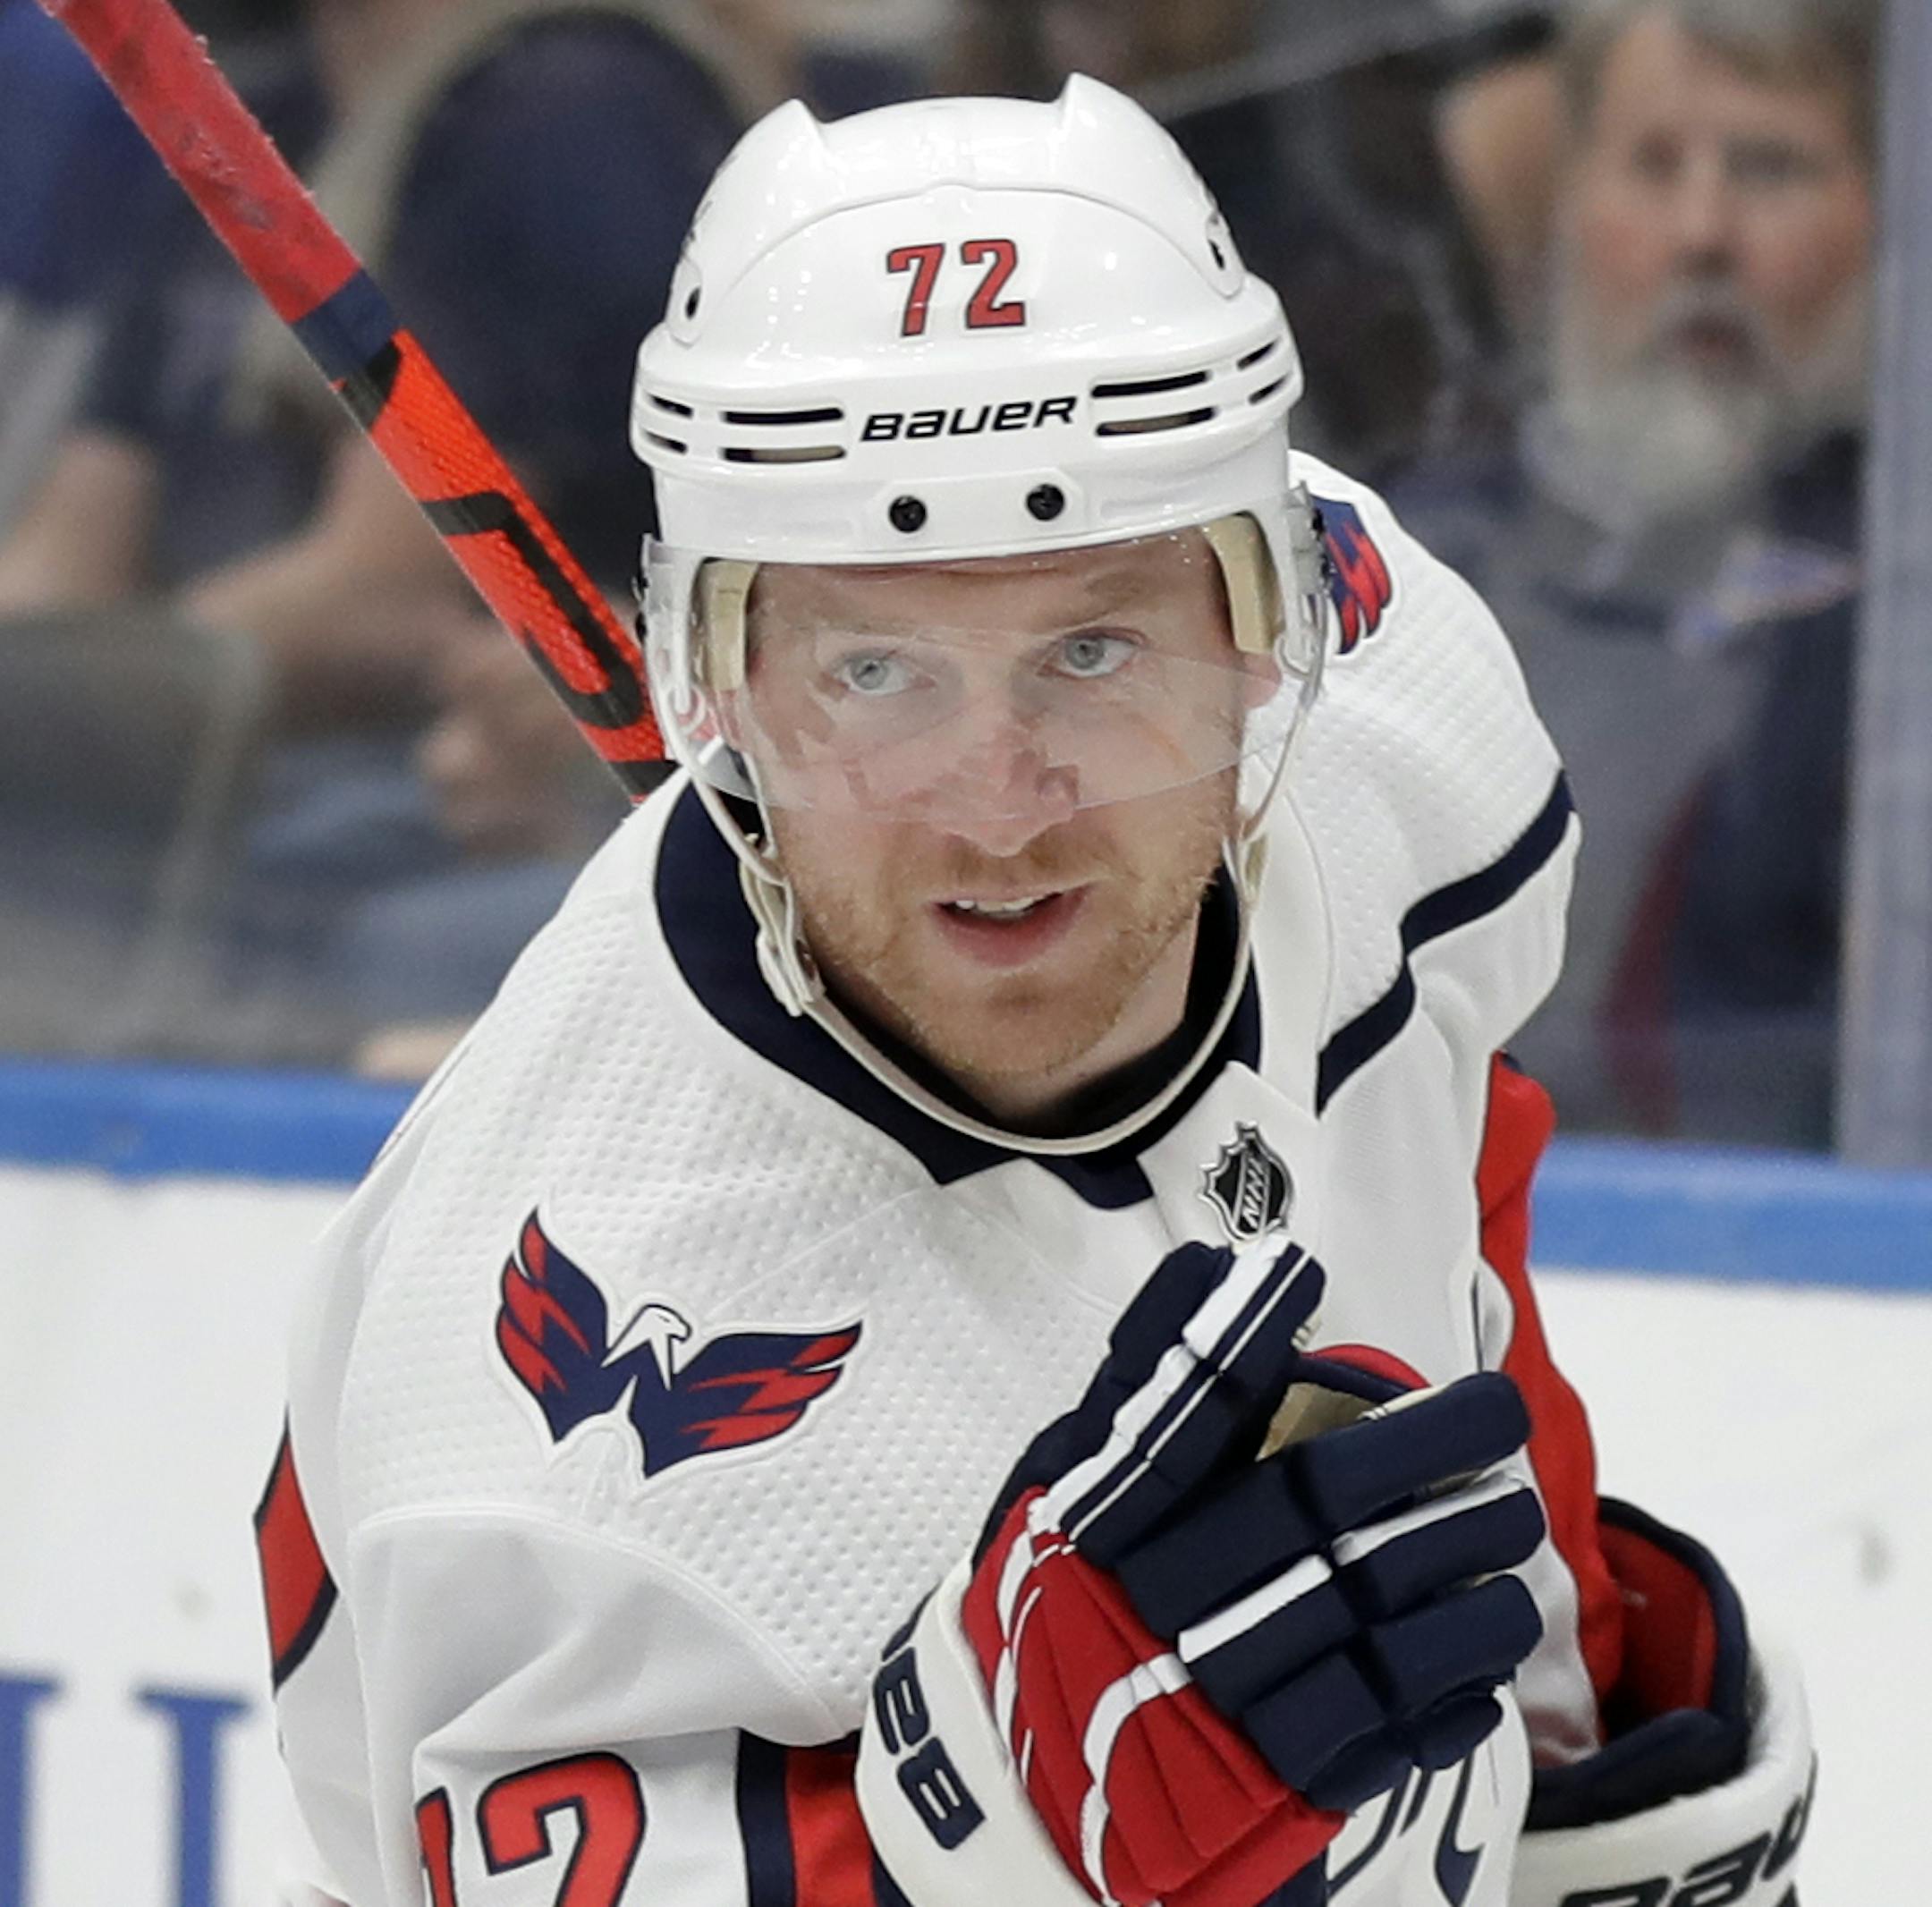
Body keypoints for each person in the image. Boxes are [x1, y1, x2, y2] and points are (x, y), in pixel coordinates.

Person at [256, 81, 1813, 1906]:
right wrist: (974, 1823)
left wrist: (1555, 1682)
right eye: (876, 671)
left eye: (1092, 648)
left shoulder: (1407, 732)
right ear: (719, 690)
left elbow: (1442, 1148)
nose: (999, 808)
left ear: (1276, 636)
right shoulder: (554, 1427)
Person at [1393, 0, 1876, 1140]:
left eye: (1771, 168)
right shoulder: (1410, 565)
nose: (1703, 230)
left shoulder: (1896, 613)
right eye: (1653, 165)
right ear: (1567, 204)